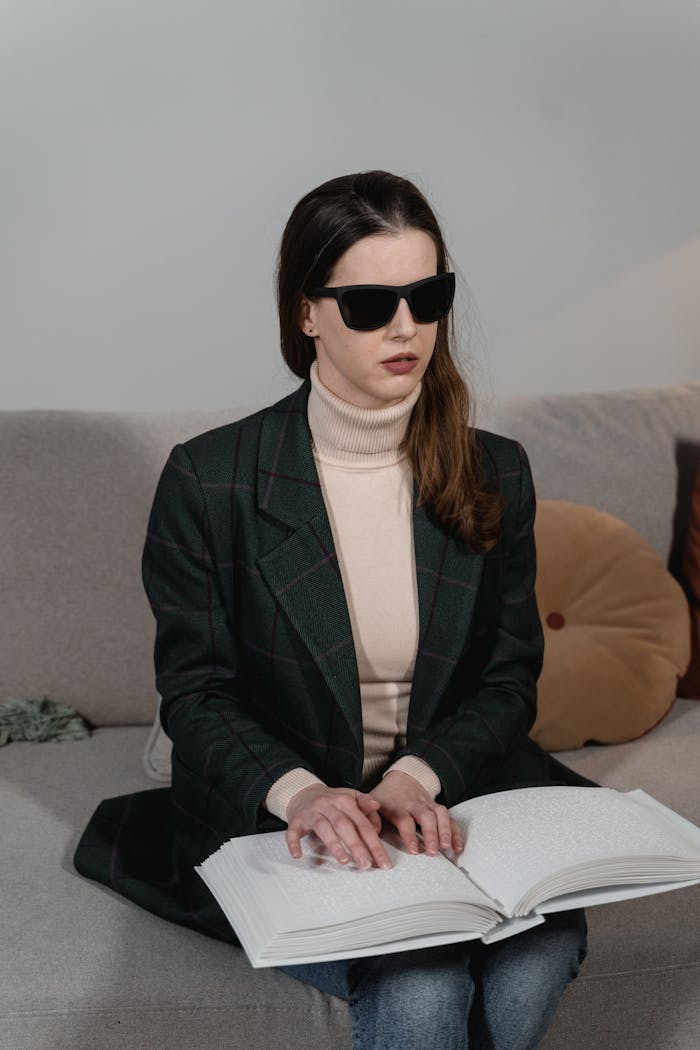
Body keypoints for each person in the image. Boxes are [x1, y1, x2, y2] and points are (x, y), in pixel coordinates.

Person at [75, 170, 593, 1049]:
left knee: (527, 970)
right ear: (306, 313)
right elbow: (196, 693)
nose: (406, 327)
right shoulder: (212, 481)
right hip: (291, 818)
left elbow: (509, 682)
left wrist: (416, 778)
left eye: (427, 297)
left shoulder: (494, 468)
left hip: (454, 801)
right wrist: (306, 795)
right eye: (369, 304)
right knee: (424, 988)